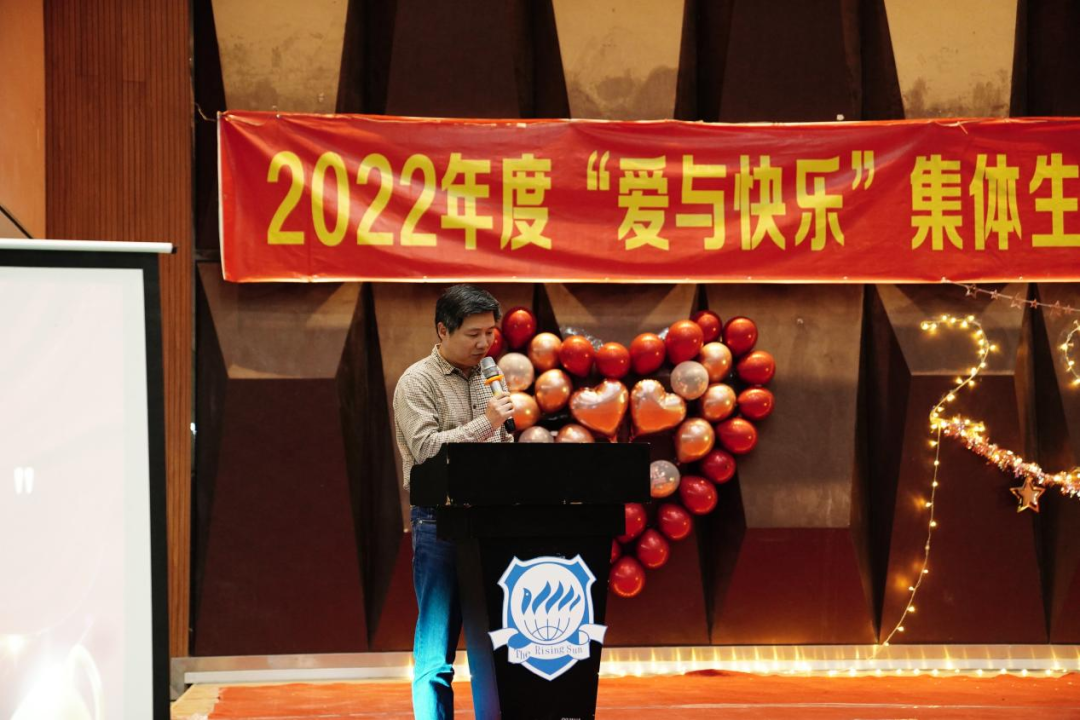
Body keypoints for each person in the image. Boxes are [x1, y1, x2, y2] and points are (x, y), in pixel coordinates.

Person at [393, 284, 515, 720]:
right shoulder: (417, 381)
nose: (485, 344)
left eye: (491, 333)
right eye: (473, 334)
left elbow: (502, 443)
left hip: (490, 520)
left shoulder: (489, 374)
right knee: (436, 649)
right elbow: (426, 449)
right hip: (439, 522)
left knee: (499, 642)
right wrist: (488, 422)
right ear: (443, 331)